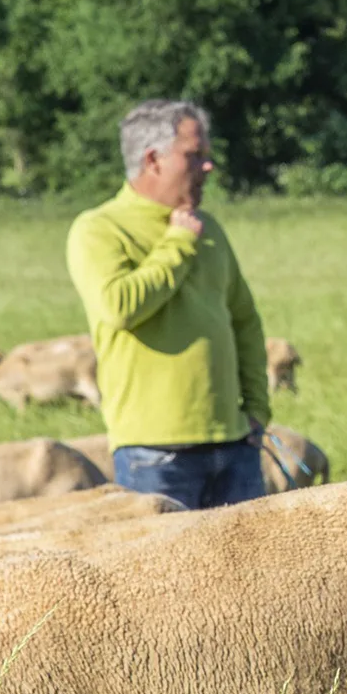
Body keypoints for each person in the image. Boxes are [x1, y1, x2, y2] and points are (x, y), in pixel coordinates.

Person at [67, 100, 271, 508]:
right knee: (160, 573)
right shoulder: (99, 229)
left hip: (235, 445)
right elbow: (120, 306)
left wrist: (257, 411)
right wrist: (178, 243)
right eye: (194, 156)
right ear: (153, 160)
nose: (207, 167)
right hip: (153, 453)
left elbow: (244, 321)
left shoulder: (209, 227)